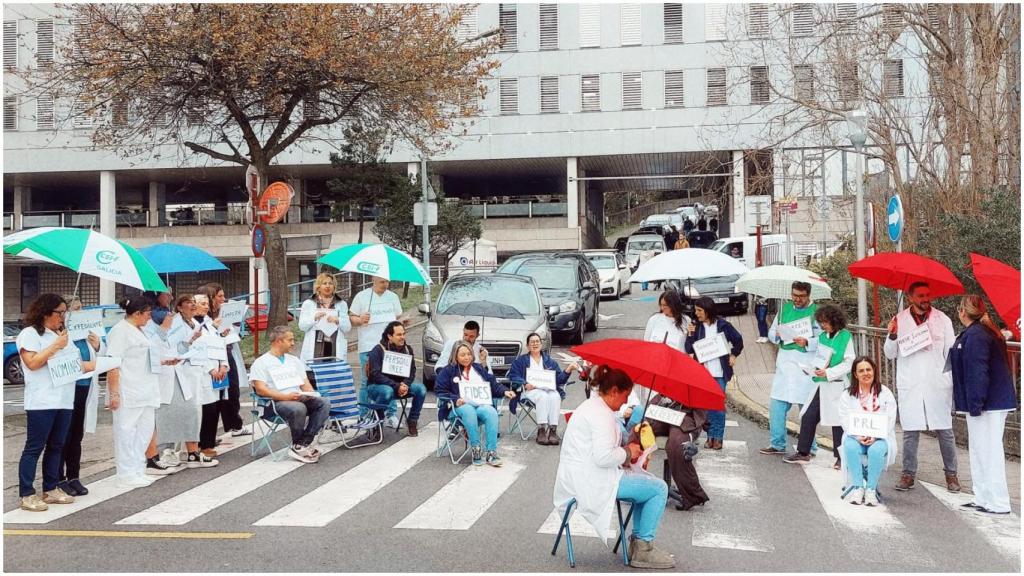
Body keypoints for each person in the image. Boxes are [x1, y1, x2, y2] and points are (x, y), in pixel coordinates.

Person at [553, 365, 675, 569]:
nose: (627, 401)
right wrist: (628, 453)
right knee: (658, 488)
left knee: (646, 484)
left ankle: (639, 543)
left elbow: (603, 451)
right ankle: (642, 547)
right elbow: (603, 457)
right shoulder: (601, 415)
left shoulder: (593, 407)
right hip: (592, 480)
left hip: (581, 476)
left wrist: (628, 451)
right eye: (626, 395)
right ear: (614, 391)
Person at [16, 294, 96, 511]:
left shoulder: (61, 336)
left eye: (64, 312)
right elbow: (32, 363)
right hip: (42, 400)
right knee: (34, 447)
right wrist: (56, 346)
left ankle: (51, 487)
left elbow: (77, 365)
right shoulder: (30, 334)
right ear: (45, 312)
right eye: (59, 312)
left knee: (57, 446)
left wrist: (103, 358)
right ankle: (26, 492)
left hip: (64, 399)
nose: (63, 317)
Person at [883, 281, 960, 493]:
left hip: (937, 383)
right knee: (910, 430)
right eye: (920, 296)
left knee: (945, 430)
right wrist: (893, 335)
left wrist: (949, 379)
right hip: (911, 382)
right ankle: (908, 474)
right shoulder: (899, 320)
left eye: (927, 295)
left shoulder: (943, 319)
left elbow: (950, 353)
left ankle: (951, 475)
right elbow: (889, 353)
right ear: (909, 298)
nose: (925, 299)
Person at [949, 295, 1016, 515]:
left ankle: (997, 501)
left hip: (987, 403)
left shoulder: (977, 335)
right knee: (980, 450)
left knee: (988, 451)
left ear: (962, 312)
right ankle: (983, 497)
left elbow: (978, 372)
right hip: (987, 401)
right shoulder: (979, 332)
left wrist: (975, 404)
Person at [105, 297, 180, 487]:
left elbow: (145, 357)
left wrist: (164, 361)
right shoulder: (120, 331)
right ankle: (125, 474)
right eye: (147, 314)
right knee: (126, 432)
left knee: (144, 431)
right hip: (129, 389)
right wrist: (114, 393)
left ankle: (138, 468)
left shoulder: (142, 331)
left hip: (147, 388)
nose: (149, 317)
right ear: (137, 313)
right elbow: (113, 364)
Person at [784, 304, 855, 468]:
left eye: (825, 322)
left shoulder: (845, 336)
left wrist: (829, 372)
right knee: (809, 415)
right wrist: (811, 370)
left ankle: (841, 457)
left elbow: (849, 362)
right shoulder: (824, 336)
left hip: (838, 384)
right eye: (821, 322)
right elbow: (819, 355)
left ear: (834, 320)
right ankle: (803, 452)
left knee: (838, 422)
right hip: (821, 384)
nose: (822, 325)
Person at [250, 326, 330, 464]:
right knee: (298, 407)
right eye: (290, 340)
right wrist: (285, 397)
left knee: (324, 402)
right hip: (273, 403)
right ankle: (298, 445)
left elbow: (305, 384)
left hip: (298, 397)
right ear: (278, 341)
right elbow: (261, 390)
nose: (293, 343)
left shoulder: (294, 360)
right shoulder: (261, 363)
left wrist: (310, 393)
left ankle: (303, 443)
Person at [760, 281, 821, 456]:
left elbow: (824, 339)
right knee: (777, 407)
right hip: (785, 363)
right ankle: (777, 443)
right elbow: (771, 332)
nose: (797, 299)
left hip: (805, 364)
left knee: (807, 411)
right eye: (794, 295)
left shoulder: (816, 312)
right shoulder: (784, 309)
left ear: (809, 295)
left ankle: (810, 447)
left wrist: (808, 342)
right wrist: (776, 335)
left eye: (801, 296)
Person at [435, 340, 515, 466]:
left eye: (469, 354)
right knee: (468, 410)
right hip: (457, 408)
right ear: (455, 356)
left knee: (491, 412)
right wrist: (456, 399)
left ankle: (491, 452)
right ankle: (476, 449)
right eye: (462, 355)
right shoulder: (448, 370)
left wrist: (505, 391)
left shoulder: (478, 368)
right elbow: (440, 391)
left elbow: (493, 384)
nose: (466, 357)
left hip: (479, 405)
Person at [58, 297, 104, 497]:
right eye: (75, 309)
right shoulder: (61, 335)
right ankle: (58, 478)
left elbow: (100, 360)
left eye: (81, 309)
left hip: (85, 387)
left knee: (77, 434)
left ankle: (74, 476)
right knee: (63, 435)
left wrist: (97, 346)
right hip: (67, 390)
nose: (80, 312)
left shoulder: (87, 335)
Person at [166, 294, 218, 468]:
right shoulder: (175, 323)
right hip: (182, 370)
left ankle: (192, 451)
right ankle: (179, 450)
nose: (193, 306)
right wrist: (190, 340)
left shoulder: (196, 323)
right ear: (179, 307)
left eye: (194, 303)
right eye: (189, 303)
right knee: (185, 410)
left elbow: (203, 348)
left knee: (196, 411)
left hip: (197, 369)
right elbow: (172, 347)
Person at [685, 296, 743, 449]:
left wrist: (733, 354)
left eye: (699, 310)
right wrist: (690, 334)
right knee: (705, 406)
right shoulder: (696, 327)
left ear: (708, 311)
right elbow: (689, 349)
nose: (696, 313)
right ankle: (710, 436)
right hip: (703, 372)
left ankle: (717, 437)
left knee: (717, 406)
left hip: (719, 371)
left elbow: (738, 340)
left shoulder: (723, 325)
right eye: (695, 310)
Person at [838, 357, 897, 506]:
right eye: (861, 370)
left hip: (880, 437)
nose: (866, 373)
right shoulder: (847, 394)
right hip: (855, 436)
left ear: (874, 371)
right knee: (850, 446)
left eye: (868, 369)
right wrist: (858, 436)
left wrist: (875, 436)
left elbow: (890, 418)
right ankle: (858, 487)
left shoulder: (885, 393)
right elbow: (844, 419)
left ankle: (870, 489)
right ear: (855, 374)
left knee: (876, 451)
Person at [508, 332, 580, 445]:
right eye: (532, 342)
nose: (535, 344)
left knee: (556, 396)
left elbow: (559, 380)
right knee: (543, 396)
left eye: (537, 341)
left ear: (541, 345)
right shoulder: (521, 361)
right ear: (528, 346)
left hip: (548, 390)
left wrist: (568, 369)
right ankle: (541, 430)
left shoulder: (549, 361)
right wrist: (525, 383)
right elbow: (512, 375)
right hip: (529, 391)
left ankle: (552, 430)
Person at [350, 276, 405, 424]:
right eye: (382, 281)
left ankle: (390, 413)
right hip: (368, 345)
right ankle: (364, 413)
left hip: (389, 347)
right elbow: (352, 318)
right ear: (373, 279)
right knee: (366, 380)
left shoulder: (392, 297)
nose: (385, 284)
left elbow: (397, 317)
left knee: (391, 380)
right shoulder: (362, 297)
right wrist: (360, 320)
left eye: (387, 281)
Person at [197, 283, 249, 439]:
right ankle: (208, 435)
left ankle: (233, 423)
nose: (223, 299)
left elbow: (230, 332)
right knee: (216, 395)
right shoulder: (203, 319)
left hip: (226, 353)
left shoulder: (223, 313)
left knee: (231, 390)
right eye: (219, 296)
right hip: (212, 358)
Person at [141, 300, 186, 476]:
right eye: (169, 315)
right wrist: (164, 361)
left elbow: (172, 349)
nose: (172, 317)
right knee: (152, 420)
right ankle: (152, 456)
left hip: (166, 375)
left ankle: (155, 456)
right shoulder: (150, 334)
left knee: (158, 418)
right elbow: (150, 355)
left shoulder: (163, 333)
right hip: (151, 381)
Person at [636, 290, 691, 429]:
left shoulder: (685, 322)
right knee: (653, 399)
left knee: (669, 400)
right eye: (660, 305)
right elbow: (647, 341)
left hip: (675, 368)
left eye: (665, 305)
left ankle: (665, 428)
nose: (662, 309)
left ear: (673, 305)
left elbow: (687, 348)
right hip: (655, 366)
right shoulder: (655, 320)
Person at [645, 393, 710, 511]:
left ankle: (692, 494)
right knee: (640, 429)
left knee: (677, 445)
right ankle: (632, 482)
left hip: (686, 417)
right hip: (665, 411)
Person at [365, 321, 426, 437]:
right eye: (399, 335)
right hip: (377, 386)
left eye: (403, 334)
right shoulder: (377, 350)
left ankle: (412, 420)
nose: (402, 337)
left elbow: (412, 371)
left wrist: (405, 385)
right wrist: (396, 386)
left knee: (421, 389)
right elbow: (375, 375)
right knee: (387, 391)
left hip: (400, 385)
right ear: (389, 336)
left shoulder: (408, 349)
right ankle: (378, 420)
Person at [297, 273, 352, 387]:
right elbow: (302, 326)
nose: (327, 286)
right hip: (316, 347)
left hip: (333, 346)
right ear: (318, 286)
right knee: (314, 382)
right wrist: (314, 318)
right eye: (324, 283)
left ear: (334, 286)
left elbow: (347, 327)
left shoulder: (341, 304)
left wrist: (338, 320)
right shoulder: (309, 303)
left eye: (330, 283)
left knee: (333, 383)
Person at [193, 294, 229, 458]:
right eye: (202, 304)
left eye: (207, 303)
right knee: (205, 409)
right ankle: (201, 444)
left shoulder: (210, 324)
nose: (206, 306)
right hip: (203, 372)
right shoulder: (192, 325)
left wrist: (223, 365)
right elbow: (196, 350)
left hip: (218, 372)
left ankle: (209, 441)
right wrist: (210, 369)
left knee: (214, 408)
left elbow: (220, 344)